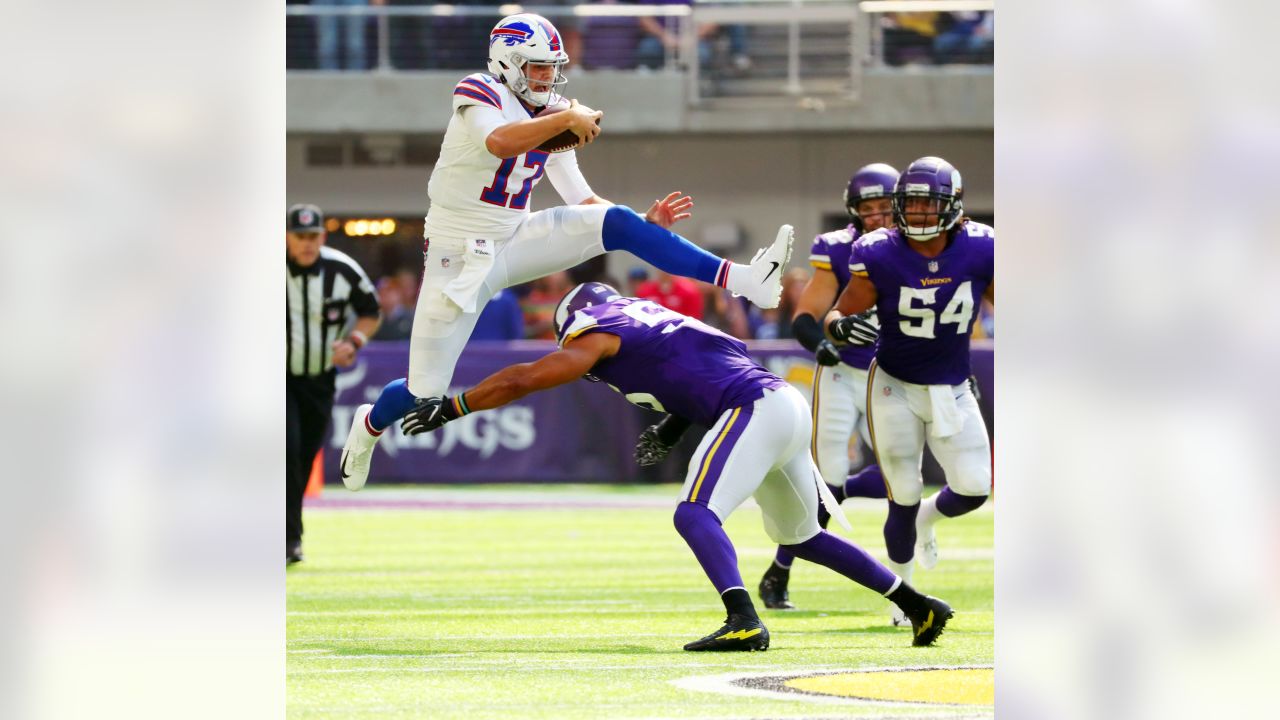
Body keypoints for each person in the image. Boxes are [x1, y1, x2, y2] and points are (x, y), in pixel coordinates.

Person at [338, 13, 794, 492]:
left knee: (616, 220)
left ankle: (745, 279)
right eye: (536, 67)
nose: (546, 78)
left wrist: (643, 228)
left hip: (515, 237)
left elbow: (582, 199)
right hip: (459, 255)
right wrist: (565, 119)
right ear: (507, 63)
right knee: (421, 392)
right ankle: (369, 426)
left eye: (550, 68)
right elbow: (499, 141)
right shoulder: (478, 90)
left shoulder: (553, 108)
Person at [399, 282, 954, 650]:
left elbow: (526, 377)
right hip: (782, 404)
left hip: (753, 407)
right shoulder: (660, 318)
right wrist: (670, 426)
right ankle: (917, 606)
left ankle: (743, 621)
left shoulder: (597, 327)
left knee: (694, 514)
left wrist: (454, 405)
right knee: (803, 536)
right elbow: (701, 369)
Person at [824, 156, 994, 597]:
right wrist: (839, 325)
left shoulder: (982, 247)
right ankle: (906, 598)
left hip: (952, 385)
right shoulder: (878, 251)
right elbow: (839, 311)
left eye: (927, 205)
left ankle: (927, 520)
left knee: (975, 488)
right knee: (903, 490)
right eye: (911, 204)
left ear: (953, 205)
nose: (917, 213)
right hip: (893, 385)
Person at [756, 164, 899, 613]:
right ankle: (780, 571)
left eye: (883, 208)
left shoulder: (917, 247)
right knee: (827, 476)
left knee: (901, 479)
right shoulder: (837, 248)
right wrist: (822, 346)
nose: (876, 217)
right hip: (842, 374)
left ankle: (841, 498)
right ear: (854, 211)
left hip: (894, 374)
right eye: (868, 209)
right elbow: (805, 316)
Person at [285, 203, 381, 564]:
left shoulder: (342, 269)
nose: (307, 243)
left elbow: (371, 311)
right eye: (300, 236)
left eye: (313, 236)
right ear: (287, 238)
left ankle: (287, 534)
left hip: (319, 380)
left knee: (304, 455)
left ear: (322, 237)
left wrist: (353, 342)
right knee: (288, 450)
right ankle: (289, 539)